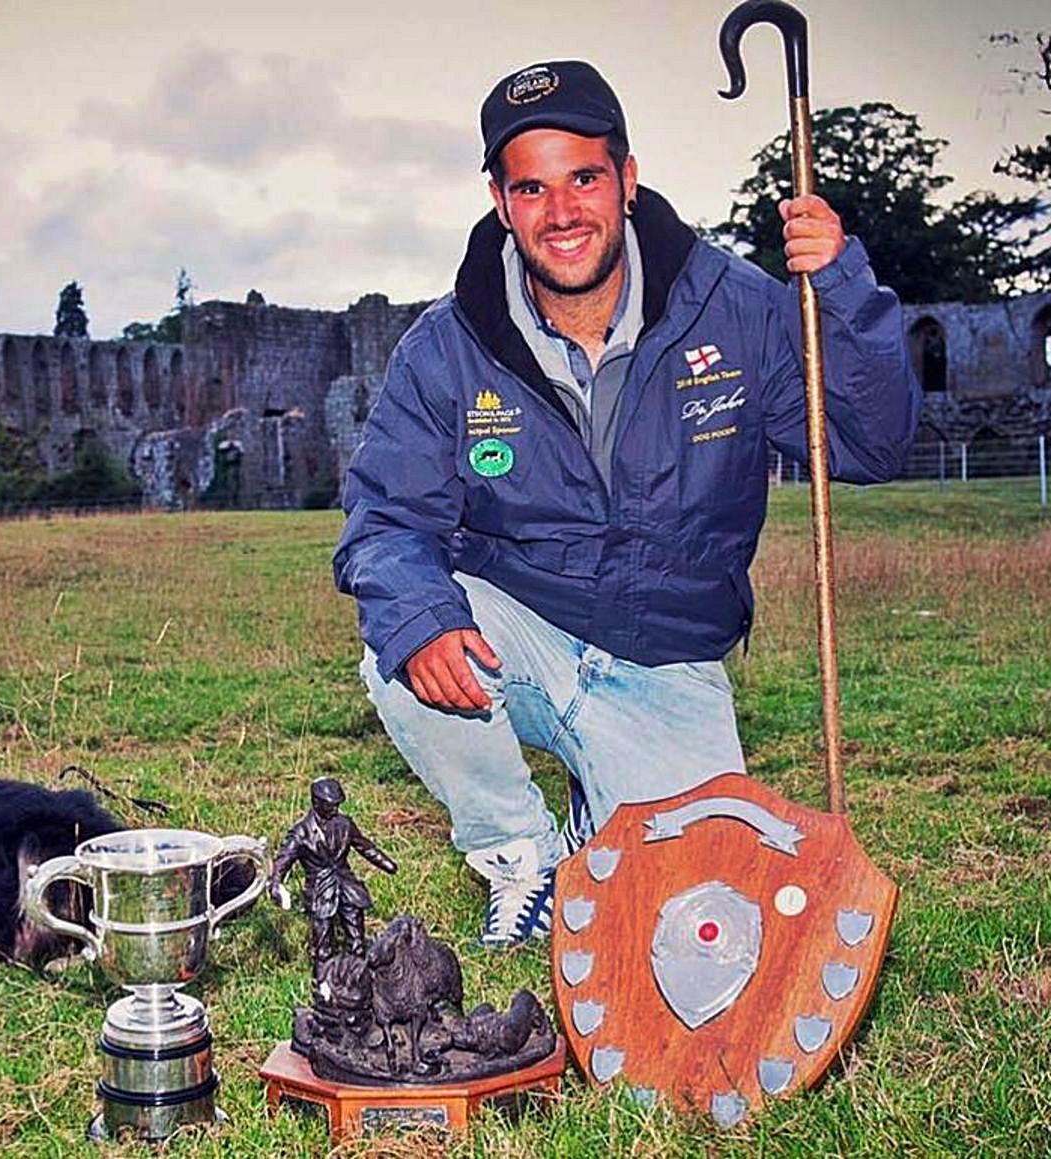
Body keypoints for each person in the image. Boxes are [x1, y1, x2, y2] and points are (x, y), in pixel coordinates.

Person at [333, 60, 921, 946]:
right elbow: (384, 523)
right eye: (530, 187)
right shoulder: (443, 347)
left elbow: (871, 443)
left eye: (583, 178)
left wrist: (838, 285)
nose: (560, 213)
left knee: (698, 910)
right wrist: (417, 617)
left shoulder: (736, 309)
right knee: (399, 644)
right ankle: (518, 853)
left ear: (626, 179)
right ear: (499, 199)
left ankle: (597, 811)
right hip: (519, 635)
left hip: (667, 665)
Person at [270, 777, 398, 977]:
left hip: (348, 887)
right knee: (322, 945)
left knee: (356, 938)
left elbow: (365, 847)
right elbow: (283, 859)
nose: (335, 810)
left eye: (337, 805)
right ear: (316, 803)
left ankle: (358, 977)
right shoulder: (301, 832)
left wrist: (386, 863)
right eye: (330, 805)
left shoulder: (345, 824)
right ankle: (323, 983)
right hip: (321, 891)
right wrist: (276, 883)